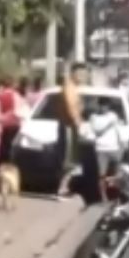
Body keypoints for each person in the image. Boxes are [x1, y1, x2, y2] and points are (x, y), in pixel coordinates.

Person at [83, 97, 125, 204]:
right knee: (102, 175)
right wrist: (108, 126)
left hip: (114, 148)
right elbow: (97, 132)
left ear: (109, 106)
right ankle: (103, 197)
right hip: (101, 150)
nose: (104, 108)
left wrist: (121, 145)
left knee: (116, 175)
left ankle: (115, 195)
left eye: (106, 106)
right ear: (99, 106)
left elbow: (118, 131)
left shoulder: (113, 116)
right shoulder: (94, 117)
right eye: (102, 105)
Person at [56, 64, 88, 198]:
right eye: (80, 74)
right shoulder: (69, 88)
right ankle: (62, 189)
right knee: (69, 159)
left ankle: (65, 187)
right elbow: (71, 108)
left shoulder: (73, 88)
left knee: (72, 160)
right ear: (73, 73)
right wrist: (79, 125)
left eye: (84, 74)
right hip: (69, 126)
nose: (83, 77)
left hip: (70, 126)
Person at [0, 75, 21, 165]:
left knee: (2, 149)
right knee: (11, 149)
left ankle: (0, 165)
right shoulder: (16, 95)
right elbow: (19, 112)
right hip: (14, 125)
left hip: (2, 126)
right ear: (12, 84)